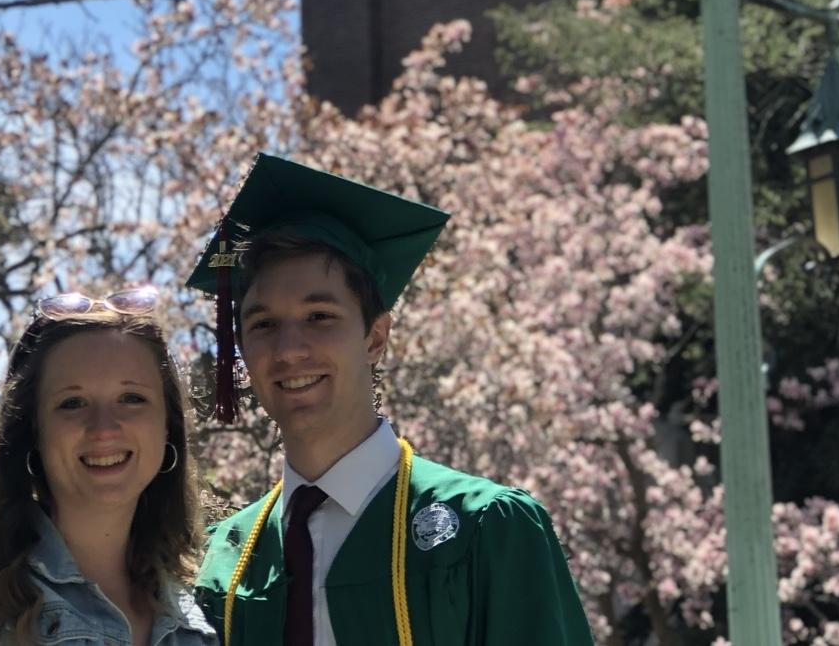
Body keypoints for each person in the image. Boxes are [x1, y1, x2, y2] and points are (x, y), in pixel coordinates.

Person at [186, 153, 595, 646]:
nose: (289, 350)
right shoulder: (224, 563)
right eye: (263, 324)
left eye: (320, 317)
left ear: (376, 338)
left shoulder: (484, 528)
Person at [0, 288, 215, 646]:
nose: (104, 428)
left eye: (132, 398)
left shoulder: (193, 615)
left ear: (167, 427)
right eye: (72, 403)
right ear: (33, 431)